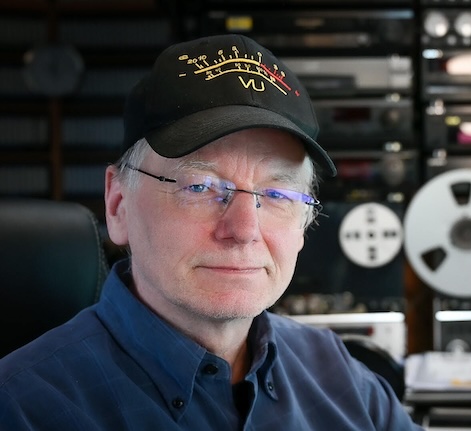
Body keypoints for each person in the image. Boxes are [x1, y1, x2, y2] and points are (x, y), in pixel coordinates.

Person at [0, 34, 423, 430]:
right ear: (118, 204)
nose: (243, 230)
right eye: (199, 187)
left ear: (304, 226)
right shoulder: (22, 407)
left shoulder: (346, 382)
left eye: (277, 194)